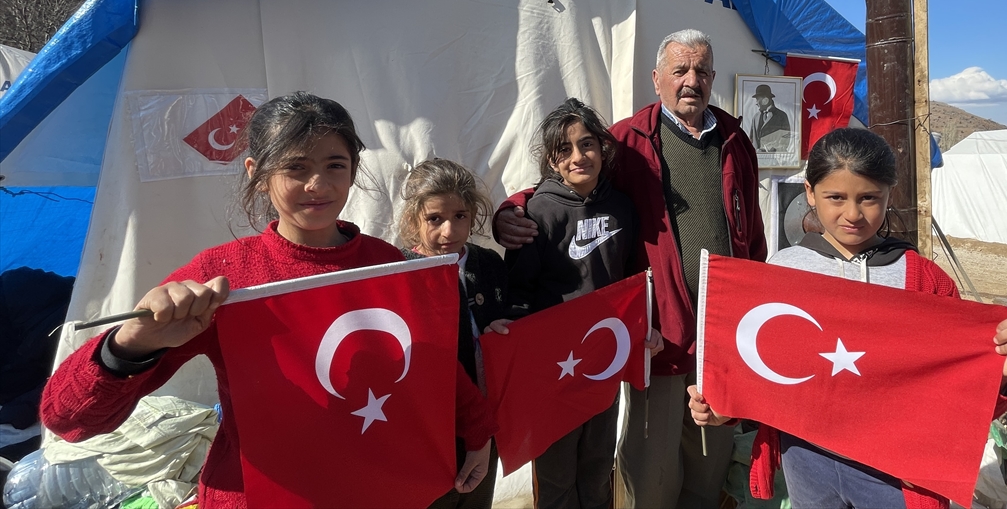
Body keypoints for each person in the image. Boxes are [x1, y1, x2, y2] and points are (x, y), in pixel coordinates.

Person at [39, 92, 498, 509]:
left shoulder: (389, 263)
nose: (317, 183)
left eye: (334, 165)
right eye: (296, 167)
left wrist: (477, 434)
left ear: (353, 171)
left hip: (378, 487)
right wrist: (130, 345)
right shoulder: (223, 277)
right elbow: (68, 417)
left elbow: (430, 366)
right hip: (261, 496)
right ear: (257, 175)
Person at [686, 127, 1007, 509]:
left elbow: (958, 393)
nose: (853, 214)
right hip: (804, 457)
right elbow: (764, 367)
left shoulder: (923, 282)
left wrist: (1003, 374)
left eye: (869, 198)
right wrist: (722, 405)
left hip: (895, 471)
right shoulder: (782, 272)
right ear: (809, 192)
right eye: (835, 197)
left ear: (890, 194)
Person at [495, 30, 766, 508]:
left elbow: (753, 233)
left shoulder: (735, 139)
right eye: (679, 70)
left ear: (713, 78)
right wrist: (512, 210)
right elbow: (572, 188)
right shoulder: (628, 140)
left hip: (722, 333)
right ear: (656, 78)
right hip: (657, 331)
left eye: (701, 71)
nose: (691, 81)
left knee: (707, 469)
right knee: (650, 477)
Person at [493, 97, 654, 509]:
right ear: (551, 158)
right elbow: (520, 290)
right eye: (564, 149)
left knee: (599, 459)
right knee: (557, 465)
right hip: (553, 367)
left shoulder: (622, 208)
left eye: (587, 144)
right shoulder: (536, 213)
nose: (578, 156)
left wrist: (642, 324)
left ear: (603, 148)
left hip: (604, 355)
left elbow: (633, 278)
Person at [397, 158, 508, 509]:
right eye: (435, 219)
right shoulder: (399, 273)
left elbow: (515, 310)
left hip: (486, 423)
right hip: (427, 433)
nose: (449, 231)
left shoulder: (488, 264)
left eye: (459, 216)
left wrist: (507, 326)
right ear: (414, 219)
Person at [749, 83, 791, 153]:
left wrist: (772, 149)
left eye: (757, 99)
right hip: (757, 159)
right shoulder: (755, 117)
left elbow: (786, 138)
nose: (756, 103)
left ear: (765, 100)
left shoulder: (781, 116)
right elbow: (751, 139)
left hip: (775, 158)